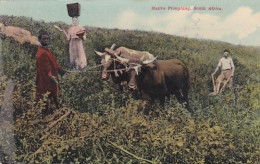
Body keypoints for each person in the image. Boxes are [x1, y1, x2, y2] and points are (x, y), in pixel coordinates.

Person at [36, 30, 67, 116]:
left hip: (51, 78)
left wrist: (60, 70)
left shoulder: (47, 51)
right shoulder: (41, 53)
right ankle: (47, 116)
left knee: (52, 96)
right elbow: (44, 68)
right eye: (44, 39)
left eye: (47, 39)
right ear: (40, 40)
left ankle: (56, 112)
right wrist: (51, 77)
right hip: (46, 80)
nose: (46, 40)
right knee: (47, 97)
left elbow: (53, 63)